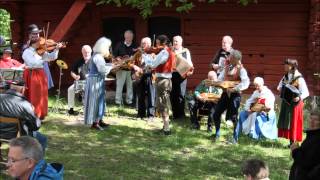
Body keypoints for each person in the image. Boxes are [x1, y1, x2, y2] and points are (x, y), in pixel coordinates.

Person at [22, 34, 63, 120]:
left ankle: (40, 114)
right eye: (39, 42)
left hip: (40, 74)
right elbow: (32, 64)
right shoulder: (27, 52)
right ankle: (32, 114)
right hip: (31, 74)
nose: (41, 44)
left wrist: (56, 49)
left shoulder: (41, 51)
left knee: (41, 95)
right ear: (34, 43)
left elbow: (52, 57)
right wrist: (41, 57)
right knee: (33, 94)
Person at [212, 50, 250, 141]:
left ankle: (235, 137)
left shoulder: (241, 69)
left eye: (231, 57)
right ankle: (217, 134)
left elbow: (246, 83)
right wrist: (214, 83)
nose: (229, 58)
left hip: (235, 96)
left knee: (233, 117)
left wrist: (235, 88)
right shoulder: (226, 67)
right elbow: (220, 79)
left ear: (236, 59)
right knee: (216, 114)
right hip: (225, 94)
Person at [0, 82, 47, 152]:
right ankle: (37, 162)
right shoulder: (26, 105)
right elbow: (36, 126)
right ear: (23, 90)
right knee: (42, 138)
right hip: (16, 136)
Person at [143, 35, 175, 135]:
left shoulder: (165, 52)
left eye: (157, 42)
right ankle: (165, 127)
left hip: (163, 80)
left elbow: (153, 64)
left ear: (162, 43)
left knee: (162, 104)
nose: (156, 45)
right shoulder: (170, 51)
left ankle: (166, 129)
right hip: (166, 80)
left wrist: (145, 56)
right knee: (163, 103)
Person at [232, 77, 277, 144]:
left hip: (266, 113)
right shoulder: (256, 92)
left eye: (258, 85)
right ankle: (237, 135)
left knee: (256, 116)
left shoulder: (268, 93)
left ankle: (255, 137)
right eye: (255, 85)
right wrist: (248, 109)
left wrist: (262, 107)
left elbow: (269, 106)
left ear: (262, 84)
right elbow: (249, 101)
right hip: (255, 111)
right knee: (242, 113)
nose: (256, 87)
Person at [277, 58, 309, 146]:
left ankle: (294, 143)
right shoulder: (286, 76)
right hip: (287, 102)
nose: (285, 66)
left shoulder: (299, 78)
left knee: (294, 122)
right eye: (285, 64)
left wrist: (299, 98)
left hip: (296, 104)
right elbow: (279, 86)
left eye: (287, 64)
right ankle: (291, 142)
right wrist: (280, 88)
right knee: (288, 122)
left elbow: (306, 92)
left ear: (292, 66)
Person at [84, 37, 113, 130]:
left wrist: (112, 66)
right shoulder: (97, 56)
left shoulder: (97, 56)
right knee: (95, 101)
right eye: (107, 48)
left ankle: (99, 119)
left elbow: (103, 67)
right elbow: (102, 70)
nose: (108, 50)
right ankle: (94, 123)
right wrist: (112, 67)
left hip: (97, 80)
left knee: (101, 100)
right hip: (95, 81)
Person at [289, 109, 320, 180]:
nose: (312, 122)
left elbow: (305, 162)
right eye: (311, 118)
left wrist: (295, 150)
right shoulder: (312, 135)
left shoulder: (317, 139)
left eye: (316, 120)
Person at [24, 24, 55, 89]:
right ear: (29, 35)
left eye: (37, 33)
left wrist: (56, 48)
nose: (36, 35)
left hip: (43, 68)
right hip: (33, 72)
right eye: (34, 34)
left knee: (44, 90)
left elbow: (49, 56)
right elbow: (30, 62)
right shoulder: (26, 48)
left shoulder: (41, 45)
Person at [131, 37, 156, 119]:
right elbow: (130, 63)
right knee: (140, 95)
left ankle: (151, 115)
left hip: (150, 76)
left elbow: (157, 65)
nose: (142, 45)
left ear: (149, 44)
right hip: (140, 76)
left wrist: (151, 67)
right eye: (142, 43)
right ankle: (141, 114)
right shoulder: (138, 53)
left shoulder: (153, 54)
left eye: (144, 43)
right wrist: (134, 66)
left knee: (151, 96)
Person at [170, 35, 194, 119]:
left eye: (177, 41)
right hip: (172, 74)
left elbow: (189, 62)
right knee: (173, 94)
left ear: (181, 42)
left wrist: (190, 69)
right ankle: (175, 114)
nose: (175, 43)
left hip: (182, 75)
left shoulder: (185, 51)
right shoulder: (170, 51)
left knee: (181, 94)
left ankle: (181, 114)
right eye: (174, 41)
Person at [113, 30, 137, 105]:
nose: (129, 38)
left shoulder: (135, 45)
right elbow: (114, 56)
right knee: (119, 85)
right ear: (125, 37)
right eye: (127, 37)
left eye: (130, 37)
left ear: (132, 37)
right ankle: (118, 101)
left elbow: (137, 56)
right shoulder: (119, 45)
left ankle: (129, 101)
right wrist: (118, 59)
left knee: (130, 86)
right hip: (121, 69)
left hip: (131, 69)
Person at [67, 45, 92, 115]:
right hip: (80, 82)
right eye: (84, 52)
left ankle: (87, 108)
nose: (86, 54)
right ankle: (71, 109)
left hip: (91, 83)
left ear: (91, 52)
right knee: (70, 89)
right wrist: (75, 76)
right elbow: (72, 72)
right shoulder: (79, 61)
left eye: (88, 52)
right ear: (82, 52)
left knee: (86, 90)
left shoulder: (94, 61)